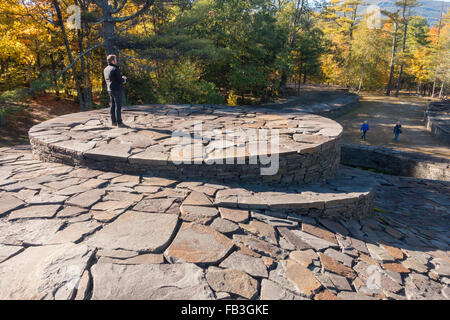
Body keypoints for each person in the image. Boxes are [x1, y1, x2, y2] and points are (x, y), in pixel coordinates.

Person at [104, 54, 127, 127]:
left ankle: (113, 122)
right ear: (113, 61)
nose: (116, 61)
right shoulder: (115, 69)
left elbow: (111, 79)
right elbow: (120, 80)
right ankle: (119, 123)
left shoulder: (105, 69)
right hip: (116, 89)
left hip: (110, 90)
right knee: (118, 106)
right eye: (116, 59)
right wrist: (124, 79)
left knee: (112, 106)